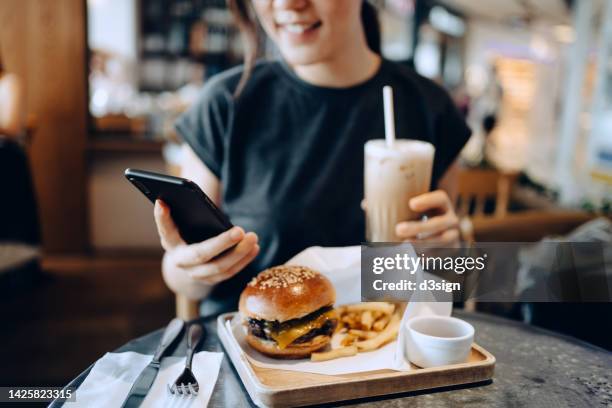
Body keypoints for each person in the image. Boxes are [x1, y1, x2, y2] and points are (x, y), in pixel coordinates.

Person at [153, 0, 472, 314]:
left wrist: (446, 257)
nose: (288, 4)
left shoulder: (429, 108)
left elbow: (443, 281)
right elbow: (182, 280)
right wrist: (190, 267)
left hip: (383, 351)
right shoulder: (225, 103)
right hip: (248, 351)